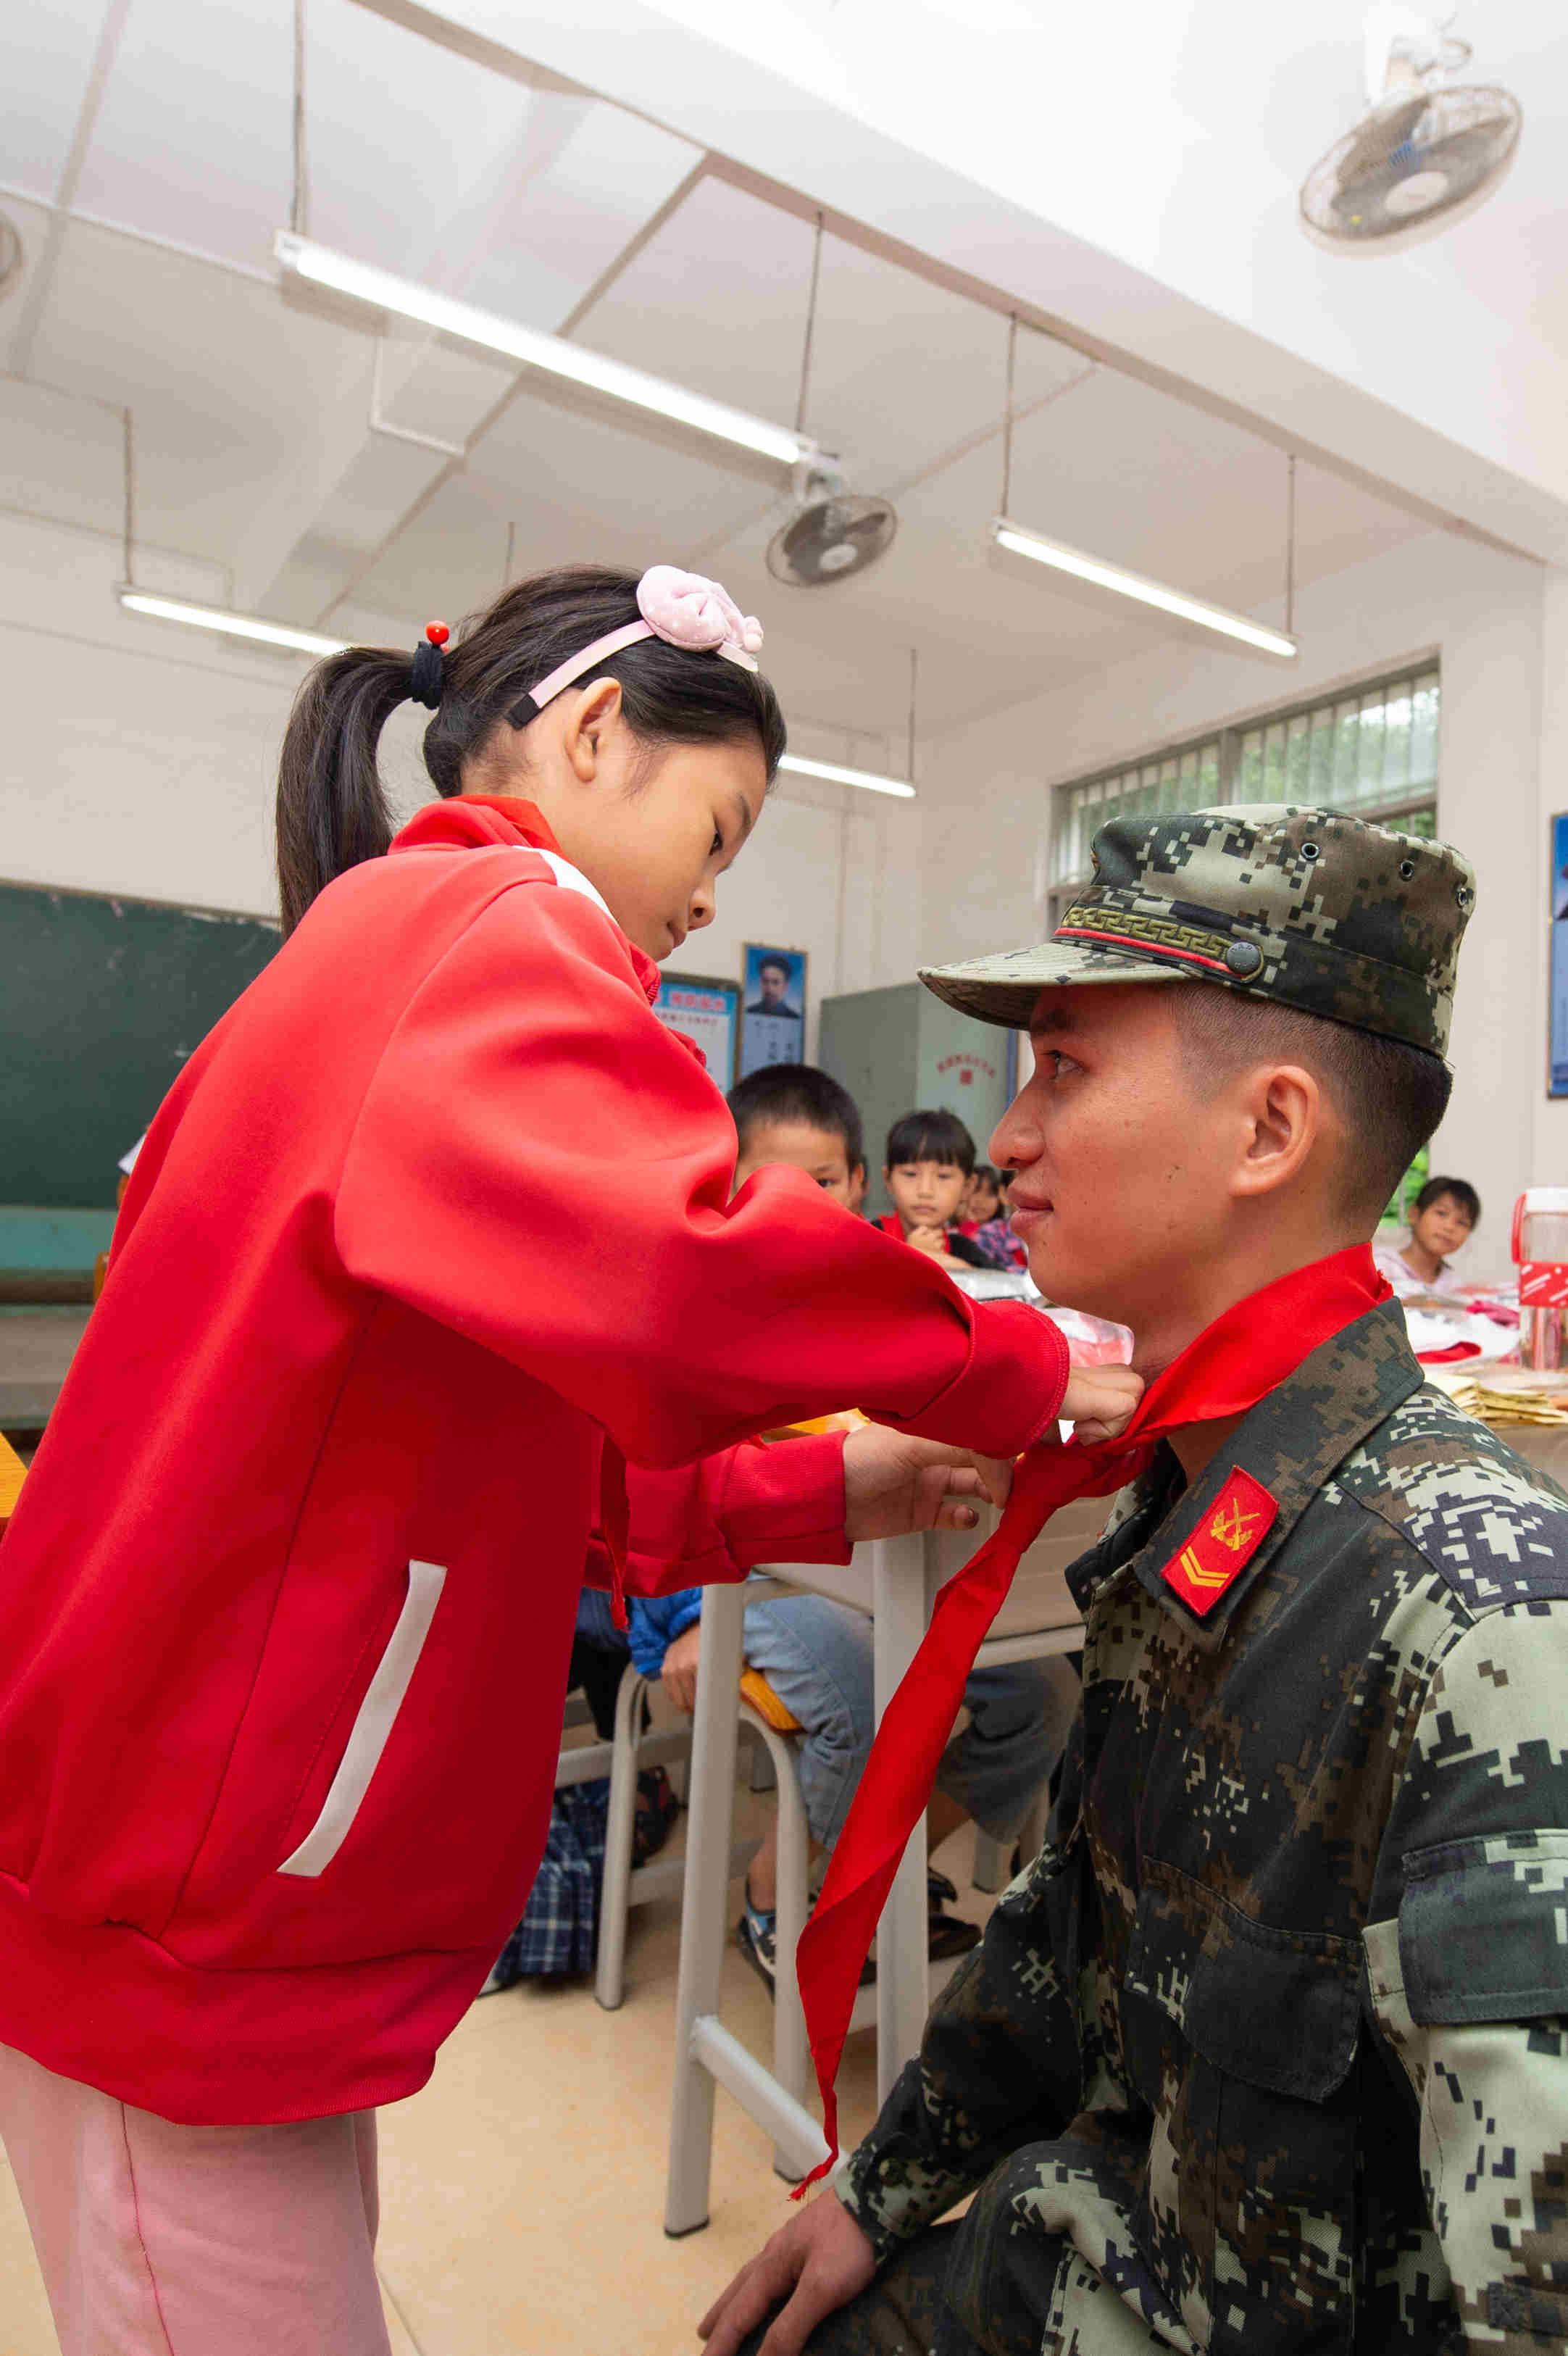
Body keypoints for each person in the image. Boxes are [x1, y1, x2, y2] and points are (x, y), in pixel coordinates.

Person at [0, 562, 1141, 2356]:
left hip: (190, 1842)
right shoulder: (483, 928)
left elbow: (525, 1477)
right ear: (597, 731)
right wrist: (1013, 1356)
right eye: (717, 826)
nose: (707, 889)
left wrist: (825, 1486)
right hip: (190, 1881)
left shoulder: (401, 950)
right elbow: (685, 1270)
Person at [701, 805, 1568, 2356]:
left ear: (1264, 1130)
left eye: (1063, 1065)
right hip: (1084, 2254)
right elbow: (1070, 1929)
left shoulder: (1479, 1612)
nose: (1007, 1136)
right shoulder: (1206, 1497)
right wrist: (877, 2189)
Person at [631, 1063, 1072, 1989]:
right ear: (722, 1183)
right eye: (766, 1178)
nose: (796, 1201)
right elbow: (651, 1500)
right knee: (859, 1689)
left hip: (873, 1568)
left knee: (1039, 1694)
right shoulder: (690, 1307)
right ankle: (775, 1899)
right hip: (735, 1589)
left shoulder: (881, 1294)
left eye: (822, 1181)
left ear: (857, 1184)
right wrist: (687, 1619)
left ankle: (872, 1876)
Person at [877, 1110, 991, 1271]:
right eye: (911, 1174)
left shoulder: (966, 1251)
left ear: (967, 1187)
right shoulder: (866, 1238)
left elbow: (998, 1284)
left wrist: (937, 1259)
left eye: (943, 1176)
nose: (925, 1191)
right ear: (888, 1179)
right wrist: (913, 1257)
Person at [1373, 1173, 1480, 1298]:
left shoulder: (1453, 1286)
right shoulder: (1379, 1267)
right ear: (1414, 1214)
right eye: (1441, 1213)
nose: (1450, 1227)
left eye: (1461, 1222)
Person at [959, 1162, 1027, 1272]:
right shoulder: (988, 1235)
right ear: (1003, 1194)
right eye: (975, 1192)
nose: (980, 1201)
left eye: (989, 1194)